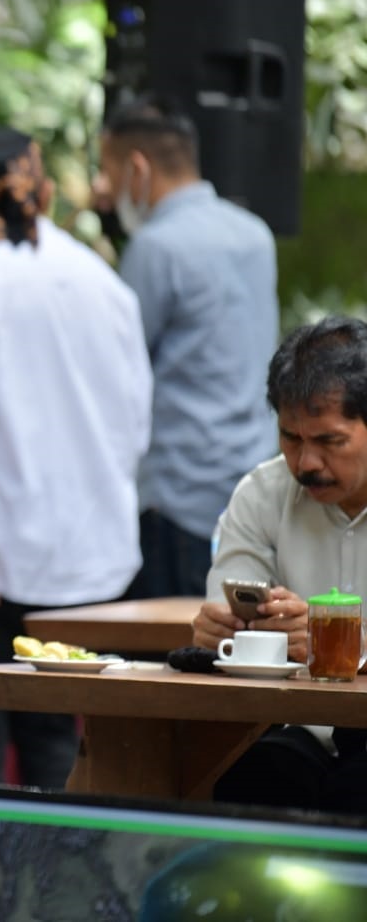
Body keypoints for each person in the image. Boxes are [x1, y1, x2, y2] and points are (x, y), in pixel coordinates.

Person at [0, 130, 152, 789]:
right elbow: (136, 422)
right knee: (64, 754)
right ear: (46, 196)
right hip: (93, 564)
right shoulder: (105, 283)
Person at [95, 95, 278, 598]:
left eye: (107, 172)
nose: (103, 191)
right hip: (252, 486)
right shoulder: (255, 234)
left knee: (170, 663)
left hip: (177, 498)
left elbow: (120, 372)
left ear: (137, 166)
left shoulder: (156, 247)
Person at [192, 316, 367, 812]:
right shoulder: (262, 493)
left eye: (329, 441)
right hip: (296, 732)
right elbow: (225, 615)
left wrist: (349, 648)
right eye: (291, 438)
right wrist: (223, 634)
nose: (305, 462)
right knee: (248, 783)